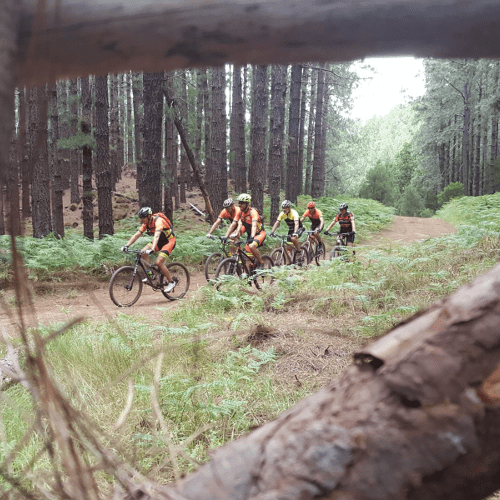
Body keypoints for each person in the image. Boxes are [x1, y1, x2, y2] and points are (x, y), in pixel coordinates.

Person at [121, 207, 177, 292]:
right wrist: (126, 245)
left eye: (143, 218)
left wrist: (153, 248)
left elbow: (157, 235)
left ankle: (171, 282)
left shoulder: (159, 221)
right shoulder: (146, 223)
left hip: (169, 241)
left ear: (149, 216)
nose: (142, 220)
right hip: (159, 242)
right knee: (143, 252)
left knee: (158, 262)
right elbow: (137, 235)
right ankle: (151, 276)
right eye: (141, 218)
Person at [225, 193, 265, 267]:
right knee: (232, 237)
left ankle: (261, 262)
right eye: (239, 203)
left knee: (252, 246)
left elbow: (254, 225)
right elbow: (233, 224)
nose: (239, 205)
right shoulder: (240, 212)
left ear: (247, 204)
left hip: (258, 233)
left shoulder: (253, 212)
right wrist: (226, 236)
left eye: (242, 203)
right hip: (248, 231)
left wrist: (252, 237)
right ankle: (237, 254)